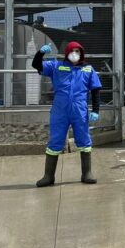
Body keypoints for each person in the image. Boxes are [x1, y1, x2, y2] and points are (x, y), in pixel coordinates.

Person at [32, 41, 102, 186]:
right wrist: (40, 53)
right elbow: (36, 65)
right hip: (60, 111)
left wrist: (96, 110)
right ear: (67, 53)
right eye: (72, 51)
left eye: (77, 51)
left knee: (84, 139)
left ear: (81, 53)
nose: (74, 54)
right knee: (55, 140)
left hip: (79, 110)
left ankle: (87, 173)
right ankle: (48, 176)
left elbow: (95, 90)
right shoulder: (56, 66)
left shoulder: (88, 69)